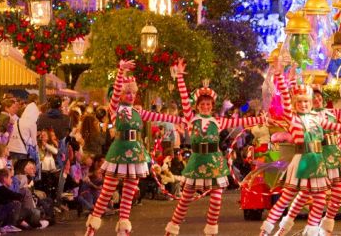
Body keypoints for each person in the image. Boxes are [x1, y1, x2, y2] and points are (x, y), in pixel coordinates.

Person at [165, 60, 267, 236]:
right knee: (185, 198)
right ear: (197, 106)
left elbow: (241, 121)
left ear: (212, 106)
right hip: (196, 161)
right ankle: (172, 229)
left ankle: (211, 231)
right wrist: (180, 77)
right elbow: (184, 100)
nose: (205, 107)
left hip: (214, 162)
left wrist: (260, 119)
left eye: (208, 104)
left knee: (216, 199)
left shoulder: (218, 121)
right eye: (202, 104)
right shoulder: (191, 119)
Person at [259, 67, 341, 236]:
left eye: (306, 102)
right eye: (300, 102)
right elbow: (286, 98)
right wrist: (280, 77)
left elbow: (335, 126)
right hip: (302, 160)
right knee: (286, 198)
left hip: (317, 161)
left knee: (320, 198)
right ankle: (266, 230)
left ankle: (312, 232)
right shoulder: (293, 118)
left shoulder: (318, 118)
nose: (304, 104)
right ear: (295, 105)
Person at [84, 60, 183, 236]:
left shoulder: (138, 111)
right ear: (121, 95)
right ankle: (91, 228)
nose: (130, 96)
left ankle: (123, 230)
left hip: (136, 154)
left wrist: (182, 120)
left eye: (132, 93)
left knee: (129, 194)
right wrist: (120, 71)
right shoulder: (115, 110)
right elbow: (114, 95)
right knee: (107, 191)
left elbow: (159, 116)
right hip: (119, 153)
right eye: (126, 93)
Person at [276, 87, 341, 236]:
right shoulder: (307, 116)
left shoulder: (331, 112)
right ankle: (285, 227)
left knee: (337, 193)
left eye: (319, 97)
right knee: (305, 194)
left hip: (334, 155)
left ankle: (326, 227)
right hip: (318, 156)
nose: (317, 100)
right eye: (314, 98)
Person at [0, 169, 24, 233]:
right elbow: (17, 196)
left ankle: (32, 222)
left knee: (24, 210)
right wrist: (14, 199)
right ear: (4, 179)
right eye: (10, 177)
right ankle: (8, 225)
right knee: (16, 204)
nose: (12, 180)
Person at [7, 95, 38, 164]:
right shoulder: (32, 123)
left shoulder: (17, 120)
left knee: (12, 169)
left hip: (11, 149)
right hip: (22, 151)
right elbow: (34, 142)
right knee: (20, 170)